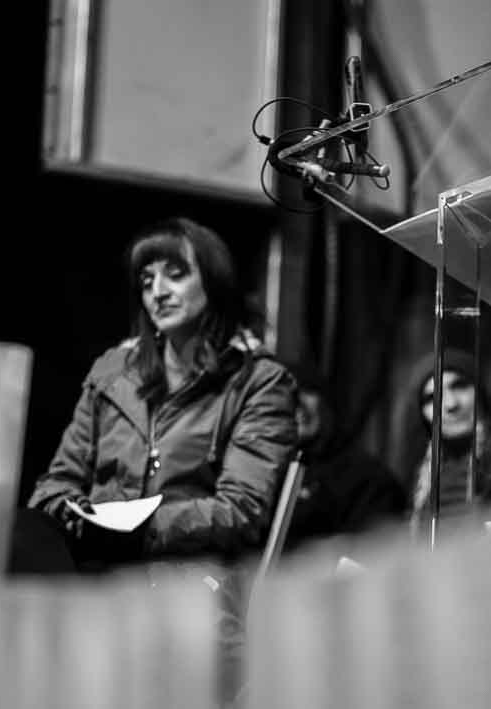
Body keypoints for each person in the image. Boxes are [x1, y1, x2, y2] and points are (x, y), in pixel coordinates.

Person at [16, 217, 297, 575]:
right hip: (96, 571)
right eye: (147, 281)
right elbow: (55, 485)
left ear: (214, 282)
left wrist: (138, 528)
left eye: (175, 274)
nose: (158, 292)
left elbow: (240, 510)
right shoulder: (113, 372)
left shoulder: (258, 381)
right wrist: (80, 518)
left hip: (190, 585)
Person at [281, 360, 407, 554]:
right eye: (284, 395)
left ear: (326, 401)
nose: (298, 404)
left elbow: (372, 558)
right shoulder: (262, 476)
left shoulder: (369, 479)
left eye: (307, 391)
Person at [408, 350, 491, 536]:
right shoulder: (422, 477)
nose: (450, 404)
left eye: (459, 386)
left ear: (481, 393)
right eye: (432, 398)